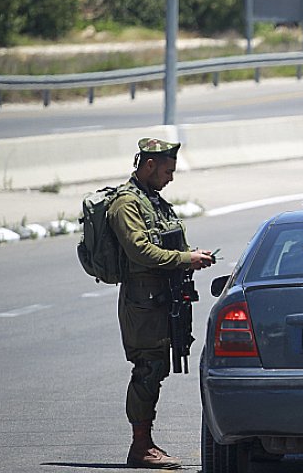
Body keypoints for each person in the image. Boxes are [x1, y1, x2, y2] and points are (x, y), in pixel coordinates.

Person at [108, 138, 213, 468]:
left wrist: (194, 255)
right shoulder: (126, 204)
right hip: (142, 302)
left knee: (157, 368)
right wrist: (185, 258)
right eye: (167, 170)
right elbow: (139, 250)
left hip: (160, 298)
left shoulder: (153, 201)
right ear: (149, 165)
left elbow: (170, 240)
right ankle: (141, 447)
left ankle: (144, 443)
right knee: (147, 369)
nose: (171, 177)